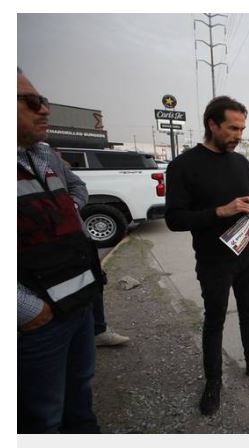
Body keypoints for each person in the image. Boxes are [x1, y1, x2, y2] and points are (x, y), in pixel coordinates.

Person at [165, 96, 249, 416]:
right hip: (213, 261)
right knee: (215, 321)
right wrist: (220, 211)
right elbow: (174, 219)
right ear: (212, 124)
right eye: (233, 128)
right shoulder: (183, 166)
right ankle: (214, 381)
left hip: (247, 251)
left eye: (242, 129)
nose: (239, 135)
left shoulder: (241, 163)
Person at [17, 68, 100, 433]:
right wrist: (26, 309)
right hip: (39, 321)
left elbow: (77, 190)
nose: (44, 109)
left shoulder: (42, 156)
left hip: (78, 304)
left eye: (44, 101)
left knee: (80, 393)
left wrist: (65, 212)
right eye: (31, 102)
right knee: (44, 416)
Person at [55, 150, 130, 347]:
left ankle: (98, 330)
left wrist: (69, 207)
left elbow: (78, 185)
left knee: (92, 283)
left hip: (77, 239)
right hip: (39, 250)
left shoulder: (45, 155)